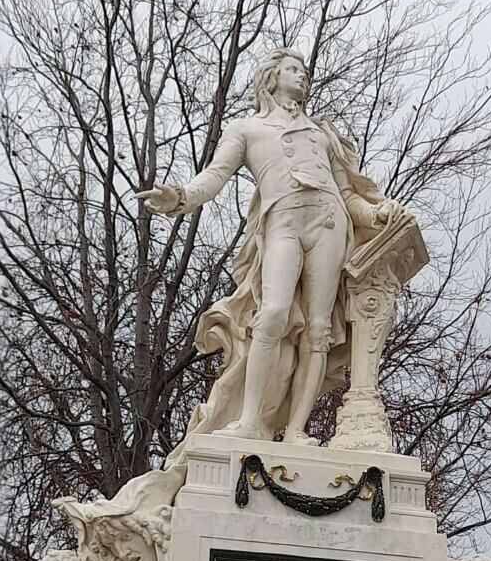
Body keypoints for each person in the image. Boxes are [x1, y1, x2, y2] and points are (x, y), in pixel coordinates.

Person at [137, 48, 400, 445]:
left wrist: (375, 214)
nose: (303, 75)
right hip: (283, 222)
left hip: (330, 223)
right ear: (272, 77)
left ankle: (296, 430)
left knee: (318, 329)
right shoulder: (247, 128)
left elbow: (348, 195)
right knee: (273, 312)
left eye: (305, 71)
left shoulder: (321, 134)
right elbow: (214, 176)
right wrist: (180, 197)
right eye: (293, 69)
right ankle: (249, 421)